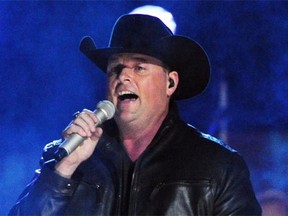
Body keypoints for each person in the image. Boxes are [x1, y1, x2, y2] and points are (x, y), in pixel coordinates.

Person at [9, 14, 261, 215]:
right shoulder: (66, 155)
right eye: (115, 68)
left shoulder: (218, 166)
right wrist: (64, 170)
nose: (123, 77)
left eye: (139, 67)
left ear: (170, 84)